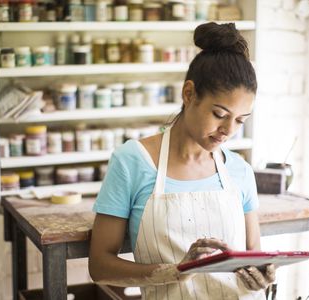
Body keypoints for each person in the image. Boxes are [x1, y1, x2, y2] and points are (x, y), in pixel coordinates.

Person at [89, 22, 276, 299]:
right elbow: (100, 266)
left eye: (240, 120)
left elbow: (252, 257)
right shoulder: (133, 162)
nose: (228, 130)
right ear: (189, 94)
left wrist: (261, 278)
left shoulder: (239, 170)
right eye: (219, 114)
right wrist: (176, 271)